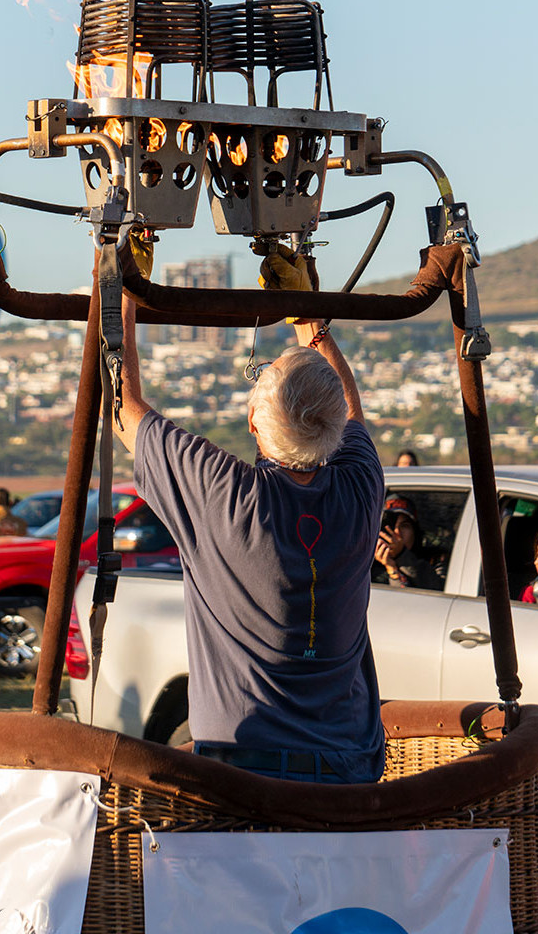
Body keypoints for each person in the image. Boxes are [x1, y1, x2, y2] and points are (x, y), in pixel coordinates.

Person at [113, 246, 385, 784]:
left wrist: (123, 287)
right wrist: (310, 318)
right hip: (349, 773)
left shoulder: (221, 493)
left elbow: (122, 406)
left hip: (243, 778)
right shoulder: (361, 487)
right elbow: (351, 413)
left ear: (254, 425)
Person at [373, 495, 444, 590]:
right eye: (390, 525)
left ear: (415, 532)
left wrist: (400, 557)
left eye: (404, 526)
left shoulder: (435, 560)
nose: (397, 533)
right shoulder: (366, 564)